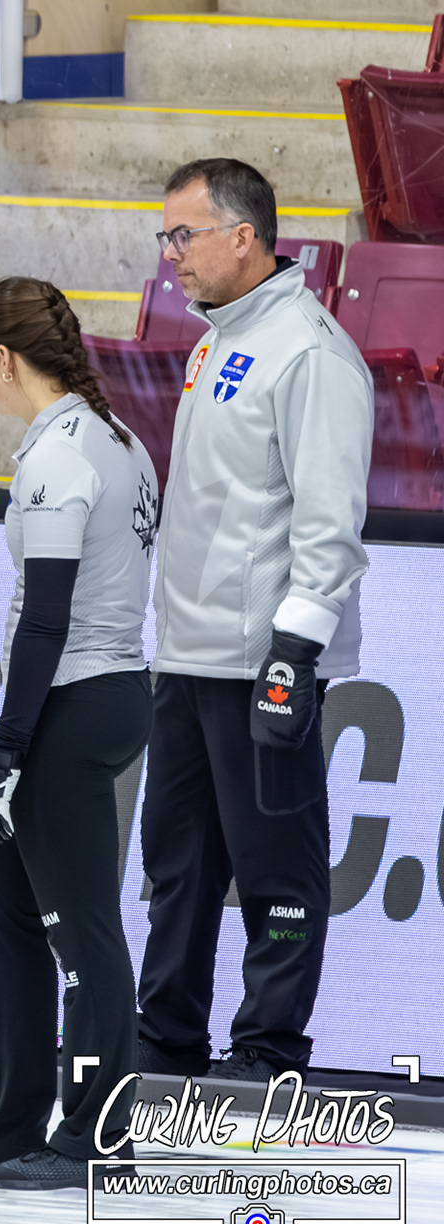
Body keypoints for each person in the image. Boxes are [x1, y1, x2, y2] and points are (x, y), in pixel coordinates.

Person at [136, 158, 372, 1082]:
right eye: (166, 236)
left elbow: (329, 526)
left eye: (183, 234)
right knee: (178, 865)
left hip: (261, 662)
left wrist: (294, 653)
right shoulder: (215, 343)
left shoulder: (310, 353)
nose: (170, 254)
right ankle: (166, 1039)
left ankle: (270, 1050)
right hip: (188, 656)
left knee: (277, 871)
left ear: (244, 237)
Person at [0, 279, 158, 1193]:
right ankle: (9, 1119)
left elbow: (47, 619)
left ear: (5, 358)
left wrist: (8, 748)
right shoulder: (119, 438)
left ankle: (97, 1133)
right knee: (6, 914)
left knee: (81, 932)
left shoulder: (61, 457)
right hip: (95, 694)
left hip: (74, 703)